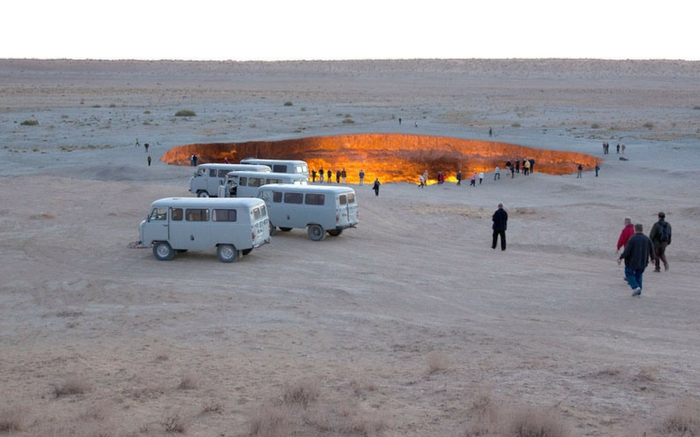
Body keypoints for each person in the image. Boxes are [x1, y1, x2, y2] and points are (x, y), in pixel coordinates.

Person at [618, 223, 656, 296]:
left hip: (632, 261)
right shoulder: (647, 238)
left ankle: (635, 287)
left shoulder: (632, 238)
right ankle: (639, 292)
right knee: (639, 275)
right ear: (642, 229)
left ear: (635, 229)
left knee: (629, 273)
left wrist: (621, 257)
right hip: (643, 261)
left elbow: (627, 250)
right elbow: (652, 249)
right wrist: (653, 258)